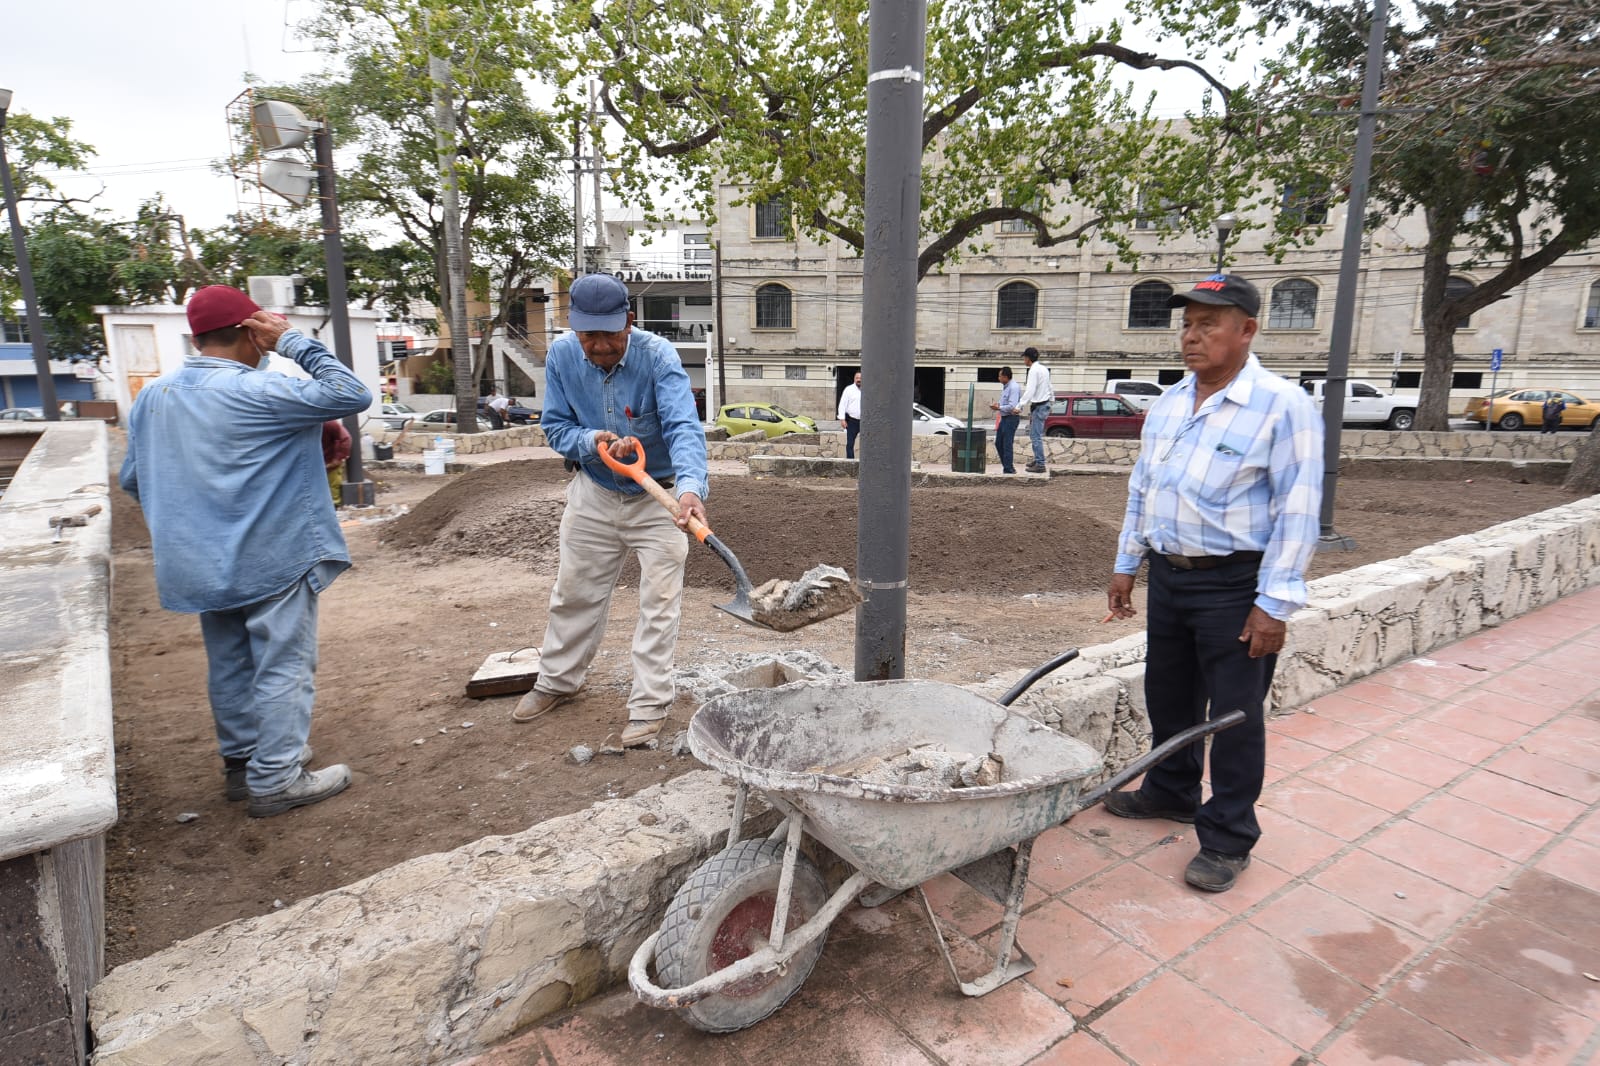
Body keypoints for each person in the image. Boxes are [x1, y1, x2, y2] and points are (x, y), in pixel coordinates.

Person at [1102, 274, 1323, 894]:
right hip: (1172, 577)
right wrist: (1128, 563)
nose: (1191, 337)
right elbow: (1143, 488)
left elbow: (1298, 513)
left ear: (1247, 330)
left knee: (1232, 718)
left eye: (1209, 324)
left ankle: (1228, 838)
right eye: (1187, 323)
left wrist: (1272, 604)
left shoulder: (1283, 408)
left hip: (1235, 586)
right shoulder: (1172, 403)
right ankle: (1170, 792)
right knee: (1168, 696)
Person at [119, 285, 372, 818]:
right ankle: (277, 777)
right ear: (251, 332)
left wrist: (196, 521)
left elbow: (136, 480)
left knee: (229, 662)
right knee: (283, 665)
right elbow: (352, 394)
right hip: (271, 555)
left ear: (196, 335)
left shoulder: (152, 398)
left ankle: (243, 764)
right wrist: (294, 343)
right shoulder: (260, 390)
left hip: (199, 563)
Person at [514, 273, 709, 748]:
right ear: (575, 329)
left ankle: (648, 706)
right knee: (574, 593)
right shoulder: (562, 356)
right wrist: (589, 441)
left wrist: (689, 489)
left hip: (657, 498)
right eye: (588, 335)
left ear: (629, 319)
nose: (599, 346)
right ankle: (558, 682)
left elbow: (684, 426)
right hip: (594, 493)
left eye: (609, 333)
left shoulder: (658, 356)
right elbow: (556, 425)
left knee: (658, 605)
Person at [1019, 348, 1053, 473]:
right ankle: (1038, 459)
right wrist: (1052, 400)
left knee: (1035, 436)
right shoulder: (1043, 369)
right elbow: (1050, 386)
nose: (1024, 360)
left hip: (1039, 405)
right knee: (1036, 435)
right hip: (1044, 404)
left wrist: (1019, 405)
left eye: (1024, 358)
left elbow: (1030, 390)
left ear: (1028, 358)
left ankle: (1040, 464)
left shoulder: (1033, 371)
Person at [989, 366, 1022, 474]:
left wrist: (998, 408)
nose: (998, 378)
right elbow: (1005, 403)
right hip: (1004, 418)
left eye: (1000, 376)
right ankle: (1007, 466)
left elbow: (1012, 406)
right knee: (999, 443)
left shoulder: (1013, 387)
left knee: (1007, 444)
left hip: (1011, 418)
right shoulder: (1006, 387)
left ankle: (1009, 469)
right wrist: (998, 405)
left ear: (1005, 377)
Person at [323, 419, 351, 505]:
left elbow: (345, 439)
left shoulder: (329, 423)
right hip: (315, 461)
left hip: (330, 462)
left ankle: (335, 508)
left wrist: (337, 458)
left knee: (333, 486)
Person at [838, 371, 863, 459]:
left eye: (860, 378)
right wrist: (842, 419)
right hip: (852, 421)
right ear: (854, 379)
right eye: (857, 378)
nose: (859, 380)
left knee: (867, 444)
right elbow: (842, 404)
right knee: (850, 444)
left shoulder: (868, 389)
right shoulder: (849, 390)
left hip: (865, 422)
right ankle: (850, 462)